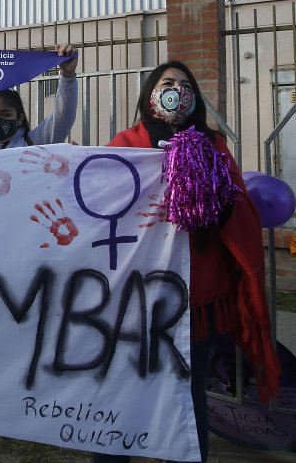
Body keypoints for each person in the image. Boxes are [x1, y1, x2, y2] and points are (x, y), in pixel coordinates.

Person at [92, 61, 280, 463]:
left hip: (197, 295)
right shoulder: (126, 142)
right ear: (149, 94)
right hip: (138, 293)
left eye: (184, 84)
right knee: (124, 388)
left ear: (194, 98)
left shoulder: (212, 144)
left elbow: (239, 205)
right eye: (167, 83)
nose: (177, 89)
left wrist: (210, 188)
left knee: (186, 391)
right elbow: (101, 200)